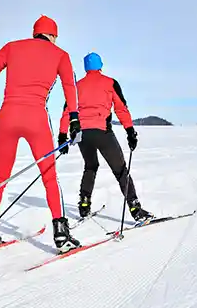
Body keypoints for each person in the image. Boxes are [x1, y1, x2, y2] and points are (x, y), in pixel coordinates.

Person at [0, 15, 83, 252]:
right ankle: (61, 234)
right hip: (35, 119)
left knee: (0, 174)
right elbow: (69, 87)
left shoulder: (11, 47)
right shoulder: (61, 55)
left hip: (7, 117)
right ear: (53, 35)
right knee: (48, 175)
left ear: (35, 32)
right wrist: (75, 119)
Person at [57, 52, 153, 223]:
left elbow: (66, 112)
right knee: (121, 170)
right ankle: (135, 209)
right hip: (102, 132)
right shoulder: (110, 83)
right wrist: (130, 132)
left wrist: (62, 136)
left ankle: (84, 204)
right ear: (100, 65)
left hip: (82, 134)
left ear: (86, 67)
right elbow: (121, 109)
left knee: (91, 166)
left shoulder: (77, 86)